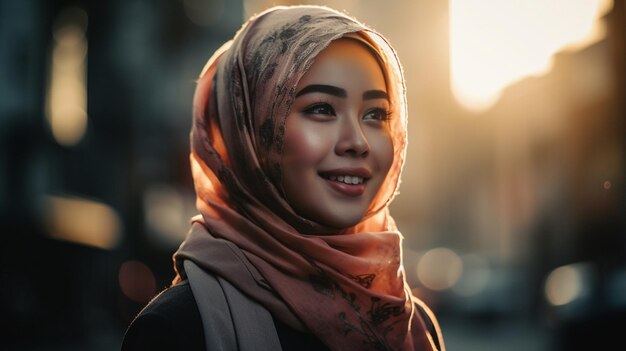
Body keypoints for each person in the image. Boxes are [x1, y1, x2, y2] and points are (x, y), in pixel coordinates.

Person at [121, 5, 444, 351]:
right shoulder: (178, 330)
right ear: (250, 133)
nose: (357, 142)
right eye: (321, 109)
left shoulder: (410, 324)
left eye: (376, 113)